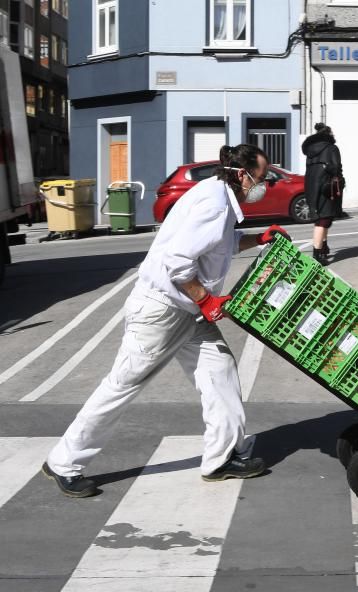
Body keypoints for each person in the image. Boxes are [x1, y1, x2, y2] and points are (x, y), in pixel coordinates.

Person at [42, 144, 286, 498]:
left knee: (220, 371)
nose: (263, 186)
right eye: (260, 178)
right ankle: (64, 462)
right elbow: (178, 262)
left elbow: (216, 244)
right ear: (240, 175)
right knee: (122, 385)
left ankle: (221, 458)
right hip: (161, 311)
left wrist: (258, 238)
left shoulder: (216, 195)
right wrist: (207, 299)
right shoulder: (215, 205)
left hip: (185, 310)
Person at [302, 123, 346, 264]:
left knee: (323, 219)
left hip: (312, 186)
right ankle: (316, 255)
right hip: (327, 187)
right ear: (328, 134)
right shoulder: (331, 148)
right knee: (322, 221)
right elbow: (336, 168)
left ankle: (323, 248)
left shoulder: (310, 150)